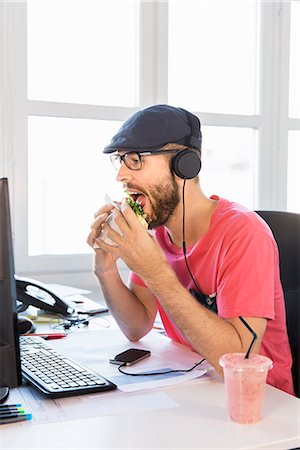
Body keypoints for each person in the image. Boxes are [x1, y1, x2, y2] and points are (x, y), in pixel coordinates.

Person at [87, 104, 294, 395]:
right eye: (119, 160)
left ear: (184, 165)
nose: (120, 175)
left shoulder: (244, 233)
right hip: (197, 386)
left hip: (260, 403)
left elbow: (238, 361)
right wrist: (105, 268)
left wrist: (154, 271)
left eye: (135, 159)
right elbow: (137, 327)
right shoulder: (157, 231)